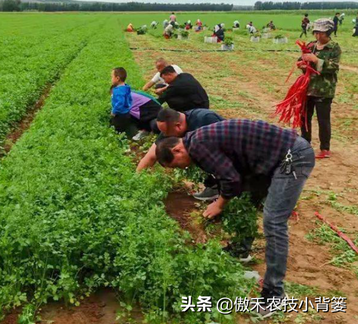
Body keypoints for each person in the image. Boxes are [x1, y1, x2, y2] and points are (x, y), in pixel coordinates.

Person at [156, 120, 315, 319]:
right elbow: (232, 177)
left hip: (292, 156)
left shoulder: (197, 146)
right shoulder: (196, 140)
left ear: (177, 150)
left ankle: (274, 296)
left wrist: (219, 204)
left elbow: (230, 179)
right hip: (272, 159)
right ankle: (241, 250)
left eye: (176, 165)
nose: (180, 168)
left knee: (273, 221)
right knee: (249, 200)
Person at [300, 19, 341, 159]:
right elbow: (302, 61)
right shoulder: (311, 46)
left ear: (328, 33)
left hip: (324, 89)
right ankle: (304, 144)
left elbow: (333, 67)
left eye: (321, 33)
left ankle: (325, 149)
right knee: (304, 117)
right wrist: (302, 65)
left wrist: (316, 60)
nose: (318, 36)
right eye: (316, 32)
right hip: (307, 88)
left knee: (323, 119)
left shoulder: (334, 47)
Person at [110, 67, 135, 138]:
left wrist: (114, 111)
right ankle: (128, 135)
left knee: (117, 130)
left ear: (117, 78)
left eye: (112, 77)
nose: (111, 79)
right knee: (124, 127)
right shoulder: (126, 87)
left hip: (120, 114)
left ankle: (121, 139)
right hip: (126, 112)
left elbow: (120, 103)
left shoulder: (118, 91)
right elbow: (130, 99)